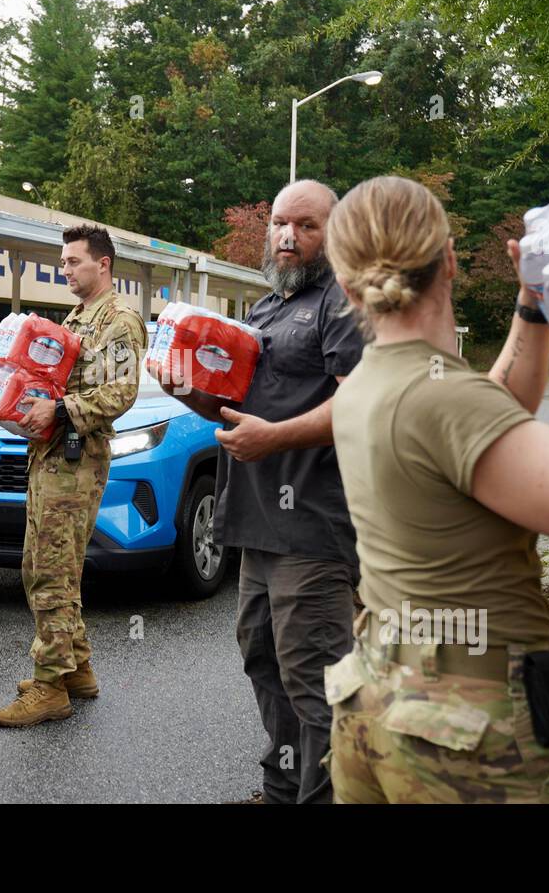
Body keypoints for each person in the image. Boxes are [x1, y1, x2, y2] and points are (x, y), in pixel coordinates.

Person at [323, 175, 549, 803]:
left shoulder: (368, 384)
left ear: (343, 280)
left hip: (375, 704)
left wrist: (532, 304)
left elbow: (486, 418)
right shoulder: (445, 400)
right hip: (469, 735)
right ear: (449, 260)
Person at [159, 179, 364, 804]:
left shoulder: (344, 301)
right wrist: (186, 393)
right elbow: (238, 405)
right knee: (264, 662)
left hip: (313, 526)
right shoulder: (266, 308)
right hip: (255, 522)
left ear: (334, 234)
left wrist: (274, 439)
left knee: (316, 679)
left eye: (306, 225)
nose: (286, 237)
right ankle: (282, 789)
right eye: (279, 222)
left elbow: (362, 403)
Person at [0, 224, 148, 728]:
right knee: (49, 560)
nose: (65, 270)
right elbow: (50, 381)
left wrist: (57, 412)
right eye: (63, 261)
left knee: (49, 570)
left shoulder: (120, 321)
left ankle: (50, 685)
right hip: (50, 455)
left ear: (103, 264)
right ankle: (76, 668)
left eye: (74, 261)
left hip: (77, 458)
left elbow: (121, 393)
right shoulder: (75, 318)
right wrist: (7, 403)